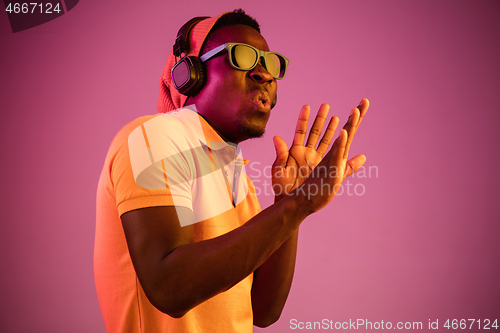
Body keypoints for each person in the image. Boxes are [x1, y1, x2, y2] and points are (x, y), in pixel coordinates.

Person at [94, 9, 369, 333]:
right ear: (191, 74)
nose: (264, 74)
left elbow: (263, 310)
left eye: (270, 63)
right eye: (243, 56)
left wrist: (289, 203)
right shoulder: (153, 137)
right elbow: (169, 287)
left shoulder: (232, 170)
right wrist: (297, 206)